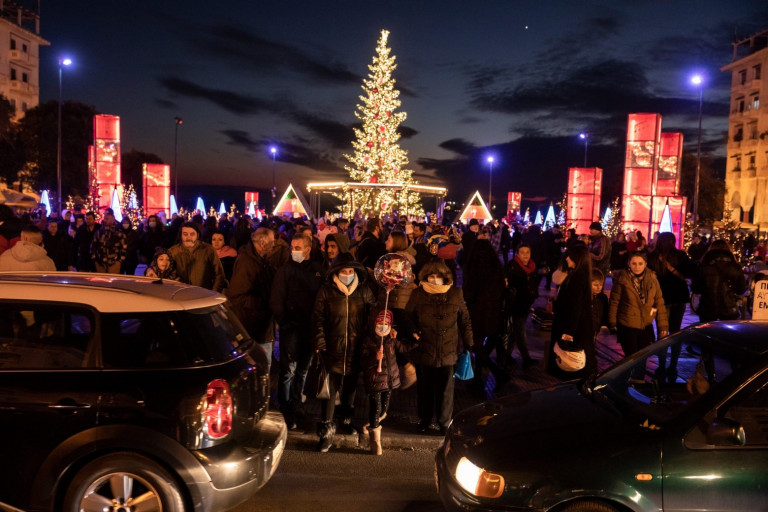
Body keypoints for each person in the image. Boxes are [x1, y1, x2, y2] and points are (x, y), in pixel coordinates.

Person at [312, 252, 375, 452]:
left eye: (350, 271)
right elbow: (317, 319)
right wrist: (321, 341)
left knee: (350, 387)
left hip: (356, 348)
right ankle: (326, 431)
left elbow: (372, 316)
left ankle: (346, 420)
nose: (347, 274)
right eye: (344, 271)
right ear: (336, 272)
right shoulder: (326, 291)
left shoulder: (364, 291)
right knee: (330, 390)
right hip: (332, 348)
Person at [404, 259, 473, 435]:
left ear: (445, 277)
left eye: (438, 276)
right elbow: (408, 316)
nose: (434, 280)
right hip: (425, 348)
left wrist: (469, 343)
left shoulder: (455, 293)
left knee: (446, 390)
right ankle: (425, 419)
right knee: (425, 388)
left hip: (448, 350)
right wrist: (413, 330)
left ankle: (444, 422)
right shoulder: (418, 294)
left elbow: (465, 320)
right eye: (431, 276)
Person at [270, 234, 325, 430]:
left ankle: (296, 404)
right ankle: (285, 409)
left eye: (298, 247)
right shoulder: (285, 271)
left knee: (302, 370)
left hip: (309, 329)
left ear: (308, 249)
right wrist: (285, 322)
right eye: (292, 247)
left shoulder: (317, 270)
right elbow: (276, 299)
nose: (294, 251)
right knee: (288, 370)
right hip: (291, 329)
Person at [608, 251, 668, 374]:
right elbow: (614, 301)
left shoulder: (652, 279)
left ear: (645, 264)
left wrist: (662, 325)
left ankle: (638, 381)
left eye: (640, 263)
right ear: (628, 264)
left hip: (645, 325)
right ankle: (628, 380)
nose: (637, 267)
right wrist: (612, 322)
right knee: (631, 358)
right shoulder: (622, 279)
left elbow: (659, 302)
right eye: (634, 263)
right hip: (627, 325)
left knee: (642, 358)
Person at [359, 309, 409, 455]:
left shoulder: (390, 339)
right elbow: (362, 360)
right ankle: (375, 442)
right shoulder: (368, 340)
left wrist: (416, 341)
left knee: (383, 409)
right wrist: (374, 357)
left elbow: (403, 348)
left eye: (385, 323)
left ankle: (371, 423)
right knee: (376, 406)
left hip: (389, 380)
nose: (382, 326)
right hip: (374, 380)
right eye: (380, 323)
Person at [226, 228, 277, 365]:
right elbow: (236, 297)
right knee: (261, 367)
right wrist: (264, 303)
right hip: (253, 328)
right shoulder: (246, 263)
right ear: (262, 243)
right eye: (272, 242)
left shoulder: (261, 259)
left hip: (262, 326)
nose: (274, 245)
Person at [462, 238, 508, 391]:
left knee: (476, 346)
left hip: (477, 312)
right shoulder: (496, 268)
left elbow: (468, 293)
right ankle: (479, 379)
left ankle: (496, 373)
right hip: (493, 312)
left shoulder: (472, 268)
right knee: (480, 347)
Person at [546, 244, 594, 380]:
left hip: (571, 326)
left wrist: (569, 332)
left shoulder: (577, 278)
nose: (567, 259)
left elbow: (575, 307)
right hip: (575, 325)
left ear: (578, 259)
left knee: (568, 358)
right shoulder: (577, 275)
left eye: (570, 257)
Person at [691, 240, 747, 322]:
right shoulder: (735, 267)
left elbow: (695, 288)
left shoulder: (704, 265)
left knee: (708, 330)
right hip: (729, 309)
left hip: (707, 309)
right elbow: (741, 290)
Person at [504, 244, 539, 369]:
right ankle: (526, 358)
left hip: (526, 304)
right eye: (522, 252)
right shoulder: (512, 266)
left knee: (515, 331)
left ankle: (506, 355)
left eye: (527, 252)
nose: (525, 255)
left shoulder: (532, 267)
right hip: (515, 304)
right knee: (520, 332)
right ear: (517, 254)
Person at [167, 222, 227, 291]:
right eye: (185, 234)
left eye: (192, 234)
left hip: (204, 293)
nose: (188, 237)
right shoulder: (173, 251)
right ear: (181, 235)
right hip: (180, 294)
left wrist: (214, 293)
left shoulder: (208, 250)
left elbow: (219, 274)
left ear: (198, 235)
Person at [91, 209, 127, 274]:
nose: (105, 220)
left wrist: (119, 261)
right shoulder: (99, 232)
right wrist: (95, 260)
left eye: (107, 218)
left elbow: (124, 247)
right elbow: (93, 245)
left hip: (114, 263)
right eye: (105, 218)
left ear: (113, 218)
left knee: (112, 280)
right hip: (100, 263)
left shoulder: (118, 232)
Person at [589, 269, 609, 375]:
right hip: (588, 326)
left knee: (593, 344)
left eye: (601, 285)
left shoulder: (602, 298)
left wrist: (605, 324)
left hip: (596, 326)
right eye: (595, 285)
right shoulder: (587, 298)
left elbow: (605, 311)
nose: (599, 287)